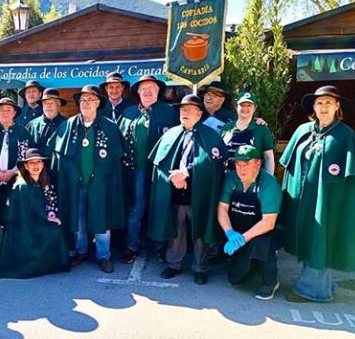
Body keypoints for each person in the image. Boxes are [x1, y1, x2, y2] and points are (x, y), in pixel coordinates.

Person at [278, 85, 355, 303]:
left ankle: (312, 290)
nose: (324, 107)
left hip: (326, 203)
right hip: (301, 200)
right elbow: (289, 166)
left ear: (337, 106)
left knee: (319, 239)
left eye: (328, 103)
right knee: (308, 238)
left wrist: (340, 208)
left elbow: (350, 181)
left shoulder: (345, 135)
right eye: (319, 103)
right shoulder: (303, 131)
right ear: (314, 107)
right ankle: (325, 284)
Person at [147, 94, 227, 285]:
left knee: (199, 230)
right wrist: (174, 177)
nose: (185, 113)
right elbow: (161, 161)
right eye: (183, 110)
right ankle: (173, 263)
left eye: (190, 110)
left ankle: (200, 268)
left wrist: (187, 173)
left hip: (199, 194)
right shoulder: (171, 134)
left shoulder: (210, 135)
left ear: (199, 114)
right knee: (177, 229)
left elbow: (212, 164)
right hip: (175, 191)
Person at [51, 85, 125, 273]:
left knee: (101, 219)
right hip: (76, 183)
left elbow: (115, 160)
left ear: (98, 103)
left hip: (100, 184)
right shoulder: (69, 125)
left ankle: (103, 256)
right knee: (78, 219)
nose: (86, 104)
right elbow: (60, 156)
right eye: (83, 100)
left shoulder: (109, 126)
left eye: (90, 100)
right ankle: (81, 251)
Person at [119, 75, 178, 263]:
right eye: (143, 87)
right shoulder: (128, 113)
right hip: (135, 170)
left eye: (151, 87)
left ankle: (160, 247)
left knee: (160, 207)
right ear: (137, 92)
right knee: (136, 208)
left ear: (158, 90)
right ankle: (131, 246)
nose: (147, 90)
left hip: (160, 170)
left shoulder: (170, 113)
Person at [0, 148, 70, 279]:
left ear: (43, 164)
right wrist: (48, 219)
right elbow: (31, 211)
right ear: (26, 166)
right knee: (53, 231)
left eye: (38, 162)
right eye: (32, 163)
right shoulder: (23, 186)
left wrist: (52, 214)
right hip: (24, 228)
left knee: (56, 230)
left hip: (36, 222)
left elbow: (49, 203)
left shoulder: (43, 182)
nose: (36, 166)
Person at [217, 144, 282, 300]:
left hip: (264, 230)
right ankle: (248, 269)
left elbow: (269, 222)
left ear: (258, 164)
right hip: (238, 227)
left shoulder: (269, 184)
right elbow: (222, 209)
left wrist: (243, 239)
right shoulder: (231, 178)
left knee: (262, 245)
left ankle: (270, 282)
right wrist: (230, 233)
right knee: (236, 279)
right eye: (238, 164)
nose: (241, 169)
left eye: (246, 164)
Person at [0, 97, 32, 263]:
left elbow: (25, 156)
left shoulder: (22, 132)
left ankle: (13, 252)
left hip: (15, 180)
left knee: (13, 217)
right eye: (2, 110)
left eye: (8, 110)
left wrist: (11, 172)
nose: (5, 112)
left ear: (14, 113)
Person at [220, 91, 276, 174]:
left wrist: (268, 181)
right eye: (242, 105)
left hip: (253, 180)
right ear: (236, 107)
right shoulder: (227, 127)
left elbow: (269, 158)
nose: (245, 108)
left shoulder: (261, 129)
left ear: (255, 108)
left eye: (249, 105)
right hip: (228, 179)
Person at [25, 88, 67, 158]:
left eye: (51, 103)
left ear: (59, 104)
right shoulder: (32, 126)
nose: (48, 106)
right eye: (45, 103)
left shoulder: (68, 125)